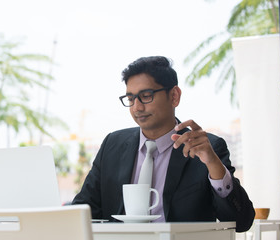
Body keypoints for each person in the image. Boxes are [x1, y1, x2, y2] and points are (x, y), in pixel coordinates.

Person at [72, 56, 255, 232]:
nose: (137, 107)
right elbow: (83, 211)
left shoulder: (207, 149)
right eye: (130, 99)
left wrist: (213, 164)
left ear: (174, 96)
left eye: (146, 96)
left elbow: (242, 222)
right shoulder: (112, 145)